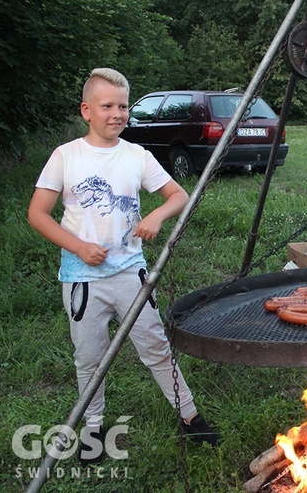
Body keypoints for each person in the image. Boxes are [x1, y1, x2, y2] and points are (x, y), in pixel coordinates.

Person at [27, 68, 220, 466]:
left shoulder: (136, 155)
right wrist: (79, 247)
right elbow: (38, 214)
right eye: (107, 106)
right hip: (83, 279)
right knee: (89, 356)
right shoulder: (66, 156)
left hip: (130, 273)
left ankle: (190, 415)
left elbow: (177, 195)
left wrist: (156, 217)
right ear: (86, 111)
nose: (117, 113)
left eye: (122, 105)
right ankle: (93, 429)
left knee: (155, 345)